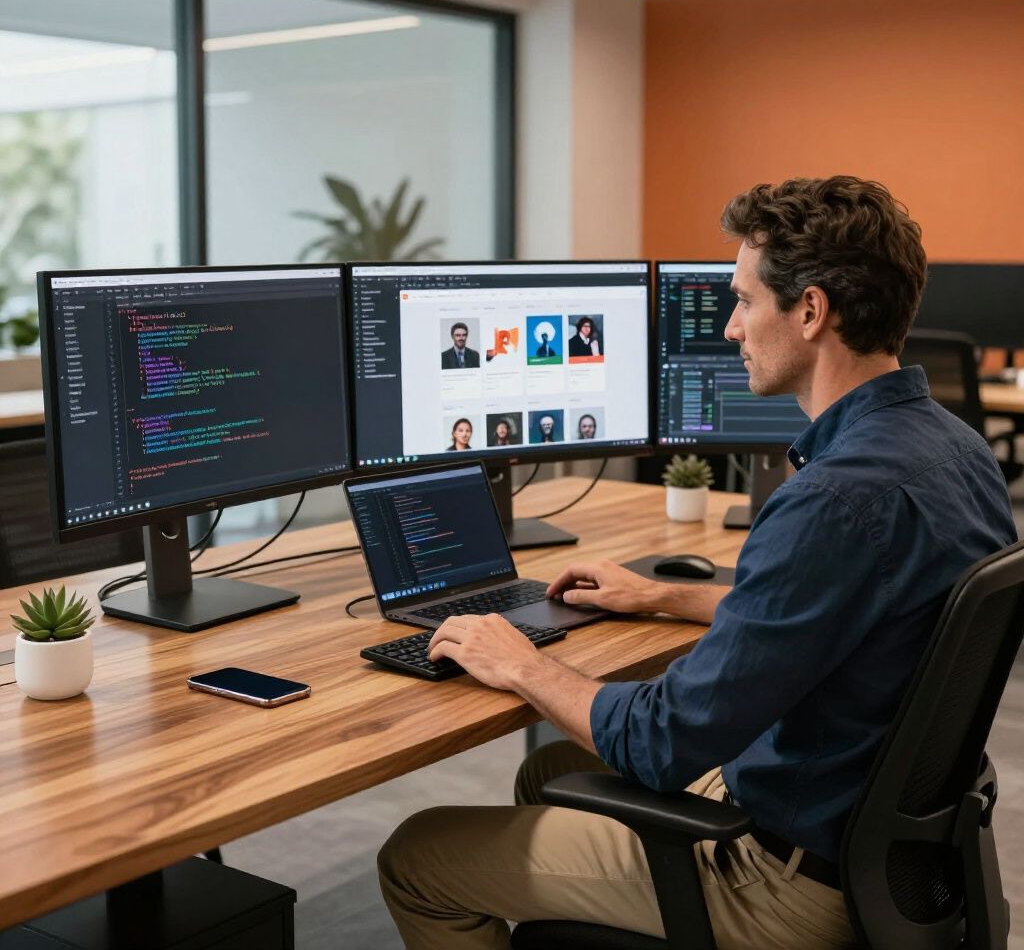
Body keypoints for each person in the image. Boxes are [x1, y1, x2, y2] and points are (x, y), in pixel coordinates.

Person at [378, 176, 1017, 950]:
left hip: (789, 881)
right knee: (551, 775)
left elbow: (663, 740)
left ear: (811, 311)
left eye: (745, 301)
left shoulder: (835, 499)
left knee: (416, 856)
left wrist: (521, 665)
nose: (729, 328)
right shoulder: (957, 451)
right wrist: (662, 598)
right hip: (889, 854)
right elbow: (864, 613)